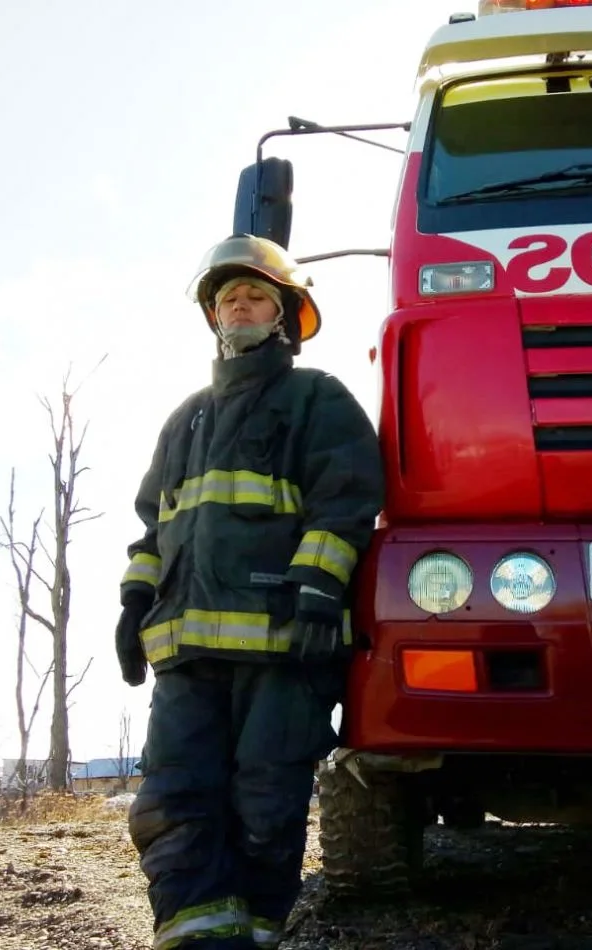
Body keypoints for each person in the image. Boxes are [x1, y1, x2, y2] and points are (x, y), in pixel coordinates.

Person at [114, 233, 385, 950]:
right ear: (213, 316)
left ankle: (257, 933)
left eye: (256, 293)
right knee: (171, 801)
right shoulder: (184, 419)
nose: (239, 303)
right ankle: (197, 936)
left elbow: (347, 500)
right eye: (227, 295)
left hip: (283, 645)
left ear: (285, 315)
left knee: (265, 803)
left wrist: (320, 590)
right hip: (184, 654)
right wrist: (133, 603)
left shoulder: (316, 399)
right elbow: (154, 528)